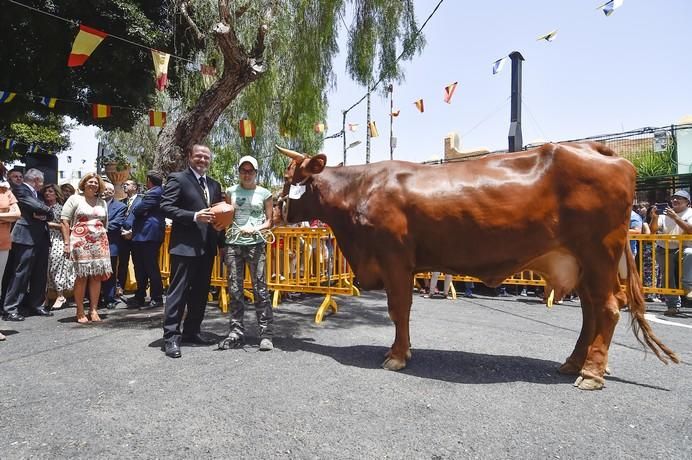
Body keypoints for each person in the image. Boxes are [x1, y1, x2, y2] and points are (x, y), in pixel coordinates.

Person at [160, 144, 223, 358]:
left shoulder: (214, 185)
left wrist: (221, 241)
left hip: (207, 247)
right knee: (178, 293)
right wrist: (194, 216)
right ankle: (171, 337)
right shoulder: (177, 178)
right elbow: (166, 207)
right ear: (190, 156)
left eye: (206, 157)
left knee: (200, 293)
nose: (202, 160)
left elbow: (219, 215)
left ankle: (192, 331)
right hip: (184, 247)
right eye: (198, 156)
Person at [218, 155, 274, 351]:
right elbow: (226, 216)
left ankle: (265, 334)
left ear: (256, 173)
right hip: (234, 244)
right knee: (234, 289)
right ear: (239, 172)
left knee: (260, 289)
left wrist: (257, 229)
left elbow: (269, 221)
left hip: (256, 244)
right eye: (244, 170)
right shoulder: (231, 191)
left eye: (251, 171)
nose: (247, 174)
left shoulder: (265, 193)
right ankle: (236, 332)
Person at [2, 168, 54, 321]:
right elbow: (38, 208)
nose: (42, 185)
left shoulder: (37, 194)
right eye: (41, 181)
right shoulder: (20, 189)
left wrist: (45, 213)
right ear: (36, 180)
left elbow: (45, 211)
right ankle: (11, 308)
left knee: (39, 273)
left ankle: (36, 305)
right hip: (25, 237)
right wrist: (47, 212)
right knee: (20, 273)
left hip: (41, 238)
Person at [61, 173, 112, 323]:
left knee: (97, 276)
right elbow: (64, 221)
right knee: (81, 276)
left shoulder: (102, 202)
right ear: (84, 183)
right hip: (80, 241)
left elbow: (105, 223)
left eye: (96, 183)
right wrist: (66, 243)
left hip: (99, 241)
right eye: (90, 182)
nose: (93, 185)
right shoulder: (74, 199)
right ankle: (80, 311)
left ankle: (94, 310)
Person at [124, 171, 165, 309]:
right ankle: (140, 295)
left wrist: (139, 210)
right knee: (140, 266)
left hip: (149, 234)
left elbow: (138, 210)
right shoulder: (154, 192)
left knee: (150, 266)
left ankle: (157, 297)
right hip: (142, 235)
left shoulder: (154, 192)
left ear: (149, 180)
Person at [651, 190, 692, 316]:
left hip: (684, 246)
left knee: (689, 253)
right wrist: (655, 217)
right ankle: (672, 306)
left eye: (679, 198)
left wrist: (675, 217)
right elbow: (653, 230)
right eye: (673, 198)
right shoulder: (664, 214)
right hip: (664, 248)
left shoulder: (690, 213)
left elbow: (690, 230)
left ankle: (688, 287)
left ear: (687, 202)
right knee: (668, 277)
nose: (675, 200)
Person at [41, 183, 76, 310]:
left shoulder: (60, 208)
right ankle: (45, 296)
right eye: (46, 191)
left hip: (57, 239)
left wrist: (48, 224)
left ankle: (60, 295)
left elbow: (64, 225)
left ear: (56, 194)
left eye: (50, 191)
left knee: (56, 267)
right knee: (43, 268)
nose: (47, 193)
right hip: (42, 239)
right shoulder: (42, 207)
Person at [0, 165, 20, 337]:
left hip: (2, 242)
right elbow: (10, 214)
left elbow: (16, 214)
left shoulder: (6, 191)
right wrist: (4, 215)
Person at [100, 181, 126, 310]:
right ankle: (96, 297)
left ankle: (110, 298)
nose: (104, 191)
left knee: (110, 272)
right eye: (102, 189)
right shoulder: (93, 204)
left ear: (112, 192)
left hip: (111, 243)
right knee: (95, 272)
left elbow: (117, 223)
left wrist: (97, 228)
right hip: (93, 244)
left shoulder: (120, 206)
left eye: (107, 189)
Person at [117, 179, 139, 296]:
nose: (124, 186)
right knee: (123, 263)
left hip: (136, 236)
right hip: (123, 236)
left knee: (138, 262)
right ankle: (120, 286)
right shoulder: (121, 202)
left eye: (127, 184)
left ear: (135, 187)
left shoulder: (142, 200)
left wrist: (132, 232)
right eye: (123, 184)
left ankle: (140, 287)